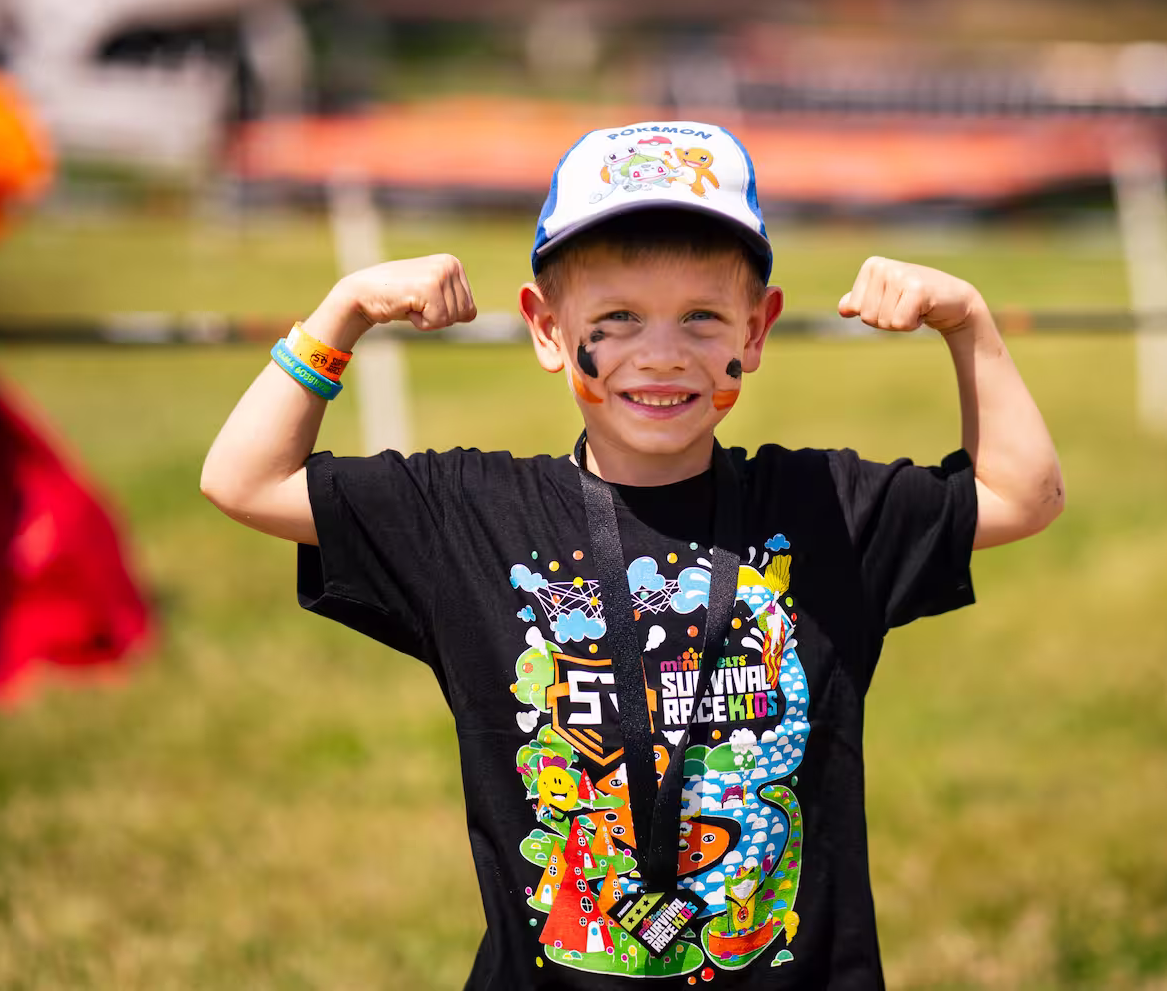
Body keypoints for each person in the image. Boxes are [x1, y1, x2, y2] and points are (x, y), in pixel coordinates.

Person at [200, 119, 1063, 989]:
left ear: (756, 331)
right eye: (617, 319)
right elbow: (244, 480)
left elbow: (1024, 496)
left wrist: (969, 323)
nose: (662, 355)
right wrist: (342, 314)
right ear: (546, 329)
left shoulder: (824, 509)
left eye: (701, 317)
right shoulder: (470, 515)